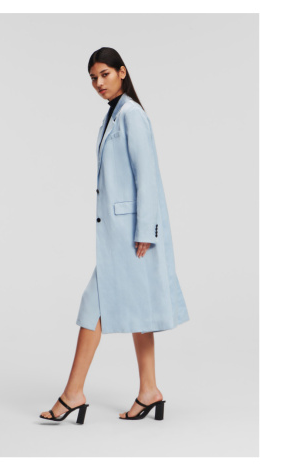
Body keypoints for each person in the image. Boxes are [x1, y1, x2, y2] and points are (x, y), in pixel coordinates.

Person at [40, 47, 189, 424]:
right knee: (138, 309)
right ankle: (149, 391)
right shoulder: (114, 114)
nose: (98, 83)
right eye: (93, 78)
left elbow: (147, 175)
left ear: (122, 72)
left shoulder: (132, 115)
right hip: (121, 233)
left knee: (94, 305)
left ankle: (73, 394)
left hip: (132, 236)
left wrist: (146, 231)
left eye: (104, 74)